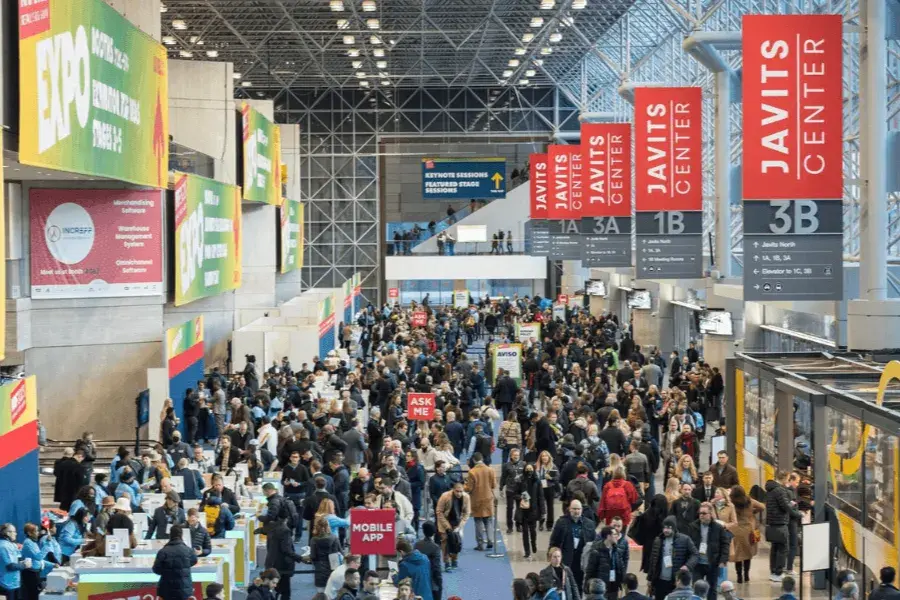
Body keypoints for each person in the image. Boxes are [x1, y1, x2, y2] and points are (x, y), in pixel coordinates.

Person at [647, 517, 699, 600]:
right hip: (660, 581)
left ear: (674, 528)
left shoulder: (685, 539)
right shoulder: (658, 540)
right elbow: (653, 561)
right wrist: (649, 579)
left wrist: (688, 566)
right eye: (664, 527)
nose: (665, 530)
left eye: (669, 528)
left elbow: (695, 554)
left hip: (675, 582)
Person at [549, 499, 596, 590]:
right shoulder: (561, 523)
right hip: (565, 559)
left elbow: (594, 543)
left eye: (578, 509)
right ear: (570, 509)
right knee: (564, 585)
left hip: (581, 560)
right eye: (574, 509)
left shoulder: (589, 524)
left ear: (582, 510)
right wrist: (552, 556)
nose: (576, 511)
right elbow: (554, 541)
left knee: (580, 585)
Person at [687, 503, 730, 600]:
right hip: (697, 564)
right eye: (700, 513)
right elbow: (688, 545)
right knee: (696, 588)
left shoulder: (718, 527)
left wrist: (723, 560)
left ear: (710, 514)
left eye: (704, 513)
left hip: (713, 563)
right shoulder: (692, 526)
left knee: (712, 589)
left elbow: (725, 544)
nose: (701, 515)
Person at [765, 470, 799, 581]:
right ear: (784, 478)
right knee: (783, 549)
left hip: (772, 523)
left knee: (774, 549)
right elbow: (785, 507)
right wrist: (798, 514)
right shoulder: (780, 490)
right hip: (780, 522)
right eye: (788, 479)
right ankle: (778, 573)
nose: (788, 481)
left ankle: (773, 572)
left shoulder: (770, 489)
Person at [152, 525, 198, 600]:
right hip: (184, 588)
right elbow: (194, 561)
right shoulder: (189, 550)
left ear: (170, 535)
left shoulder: (163, 551)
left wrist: (166, 571)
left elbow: (156, 569)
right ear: (181, 535)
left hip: (166, 589)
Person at [263, 518, 304, 600]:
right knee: (285, 592)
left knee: (273, 590)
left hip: (271, 563)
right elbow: (287, 550)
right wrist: (300, 558)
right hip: (282, 565)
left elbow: (269, 546)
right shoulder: (285, 530)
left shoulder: (270, 527)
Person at [464, 452, 496, 551]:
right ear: (482, 458)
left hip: (476, 499)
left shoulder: (472, 472)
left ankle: (480, 545)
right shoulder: (490, 470)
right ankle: (490, 540)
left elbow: (469, 488)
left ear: (474, 460)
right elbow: (494, 485)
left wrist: (463, 486)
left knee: (478, 521)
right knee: (488, 520)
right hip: (488, 498)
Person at [583, 526, 626, 600]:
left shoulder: (616, 550)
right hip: (601, 588)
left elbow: (621, 568)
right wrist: (586, 587)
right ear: (608, 536)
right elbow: (590, 571)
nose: (617, 536)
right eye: (614, 534)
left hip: (614, 586)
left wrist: (622, 583)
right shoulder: (596, 551)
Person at [436, 481, 470, 571]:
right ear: (453, 490)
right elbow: (439, 512)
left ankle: (454, 559)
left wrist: (460, 526)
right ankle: (446, 562)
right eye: (457, 491)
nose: (459, 493)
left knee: (456, 542)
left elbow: (467, 513)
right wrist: (447, 526)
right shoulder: (445, 496)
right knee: (445, 542)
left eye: (461, 491)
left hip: (457, 522)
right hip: (444, 521)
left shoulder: (466, 497)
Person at [515, 462, 546, 559]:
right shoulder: (520, 480)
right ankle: (527, 551)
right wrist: (521, 497)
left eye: (531, 469)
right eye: (527, 469)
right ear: (524, 470)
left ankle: (533, 544)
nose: (529, 471)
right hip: (523, 510)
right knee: (525, 532)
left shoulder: (537, 481)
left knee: (533, 531)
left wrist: (543, 511)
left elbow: (541, 497)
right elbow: (515, 494)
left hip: (534, 510)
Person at [309, 516, 342, 593]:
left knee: (321, 593)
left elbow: (313, 556)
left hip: (320, 570)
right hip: (333, 569)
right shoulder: (334, 538)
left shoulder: (314, 540)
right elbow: (341, 552)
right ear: (328, 526)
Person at [0, 524, 31, 600]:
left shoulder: (12, 545)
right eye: (14, 532)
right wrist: (25, 565)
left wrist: (23, 562)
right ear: (8, 533)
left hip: (14, 583)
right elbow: (10, 566)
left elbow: (17, 560)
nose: (16, 534)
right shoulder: (3, 546)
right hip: (7, 584)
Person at [415, 523, 443, 600]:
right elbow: (436, 567)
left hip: (419, 580)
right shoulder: (435, 547)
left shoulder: (417, 545)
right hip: (431, 581)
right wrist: (439, 583)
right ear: (434, 533)